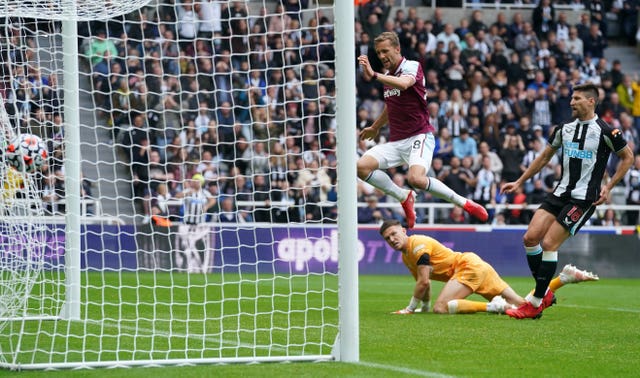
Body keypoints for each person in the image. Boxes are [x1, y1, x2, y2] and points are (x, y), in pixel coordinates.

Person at [501, 83, 634, 319]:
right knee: (530, 238)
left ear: (591, 101)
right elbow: (544, 157)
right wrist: (520, 181)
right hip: (559, 193)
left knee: (550, 244)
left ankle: (534, 303)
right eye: (571, 98)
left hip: (583, 200)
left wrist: (609, 186)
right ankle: (545, 294)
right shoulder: (564, 129)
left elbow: (627, 157)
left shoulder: (606, 131)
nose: (571, 102)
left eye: (577, 98)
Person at [357, 32, 488, 229]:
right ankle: (402, 195)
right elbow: (391, 105)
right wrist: (375, 127)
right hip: (397, 141)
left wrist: (374, 74)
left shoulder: (411, 66)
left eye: (385, 51)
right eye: (378, 52)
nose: (382, 56)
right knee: (362, 167)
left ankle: (464, 203)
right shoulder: (389, 77)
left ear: (397, 49)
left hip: (420, 135)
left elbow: (405, 84)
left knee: (415, 179)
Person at [379, 219, 598, 315]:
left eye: (394, 234)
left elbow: (425, 281)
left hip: (467, 268)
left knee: (441, 308)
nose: (392, 239)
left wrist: (410, 308)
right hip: (476, 266)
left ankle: (493, 307)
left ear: (403, 230)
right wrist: (423, 307)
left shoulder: (417, 245)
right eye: (387, 238)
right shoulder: (406, 256)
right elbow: (423, 284)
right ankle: (563, 279)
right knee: (527, 308)